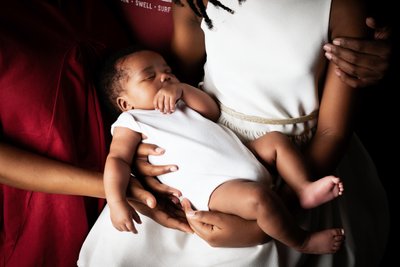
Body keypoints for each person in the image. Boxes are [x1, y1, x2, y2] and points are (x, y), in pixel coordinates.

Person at [1, 1, 392, 267]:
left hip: (296, 155)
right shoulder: (194, 1)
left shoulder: (343, 7)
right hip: (203, 156)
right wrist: (138, 164)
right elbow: (166, 98)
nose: (162, 76)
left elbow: (331, 129)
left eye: (161, 71)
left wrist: (271, 217)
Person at [101, 48, 345, 254]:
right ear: (125, 103)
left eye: (168, 71)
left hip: (245, 154)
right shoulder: (132, 120)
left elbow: (211, 111)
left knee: (276, 141)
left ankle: (303, 187)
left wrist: (183, 90)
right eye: (150, 76)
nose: (165, 78)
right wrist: (116, 200)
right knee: (260, 199)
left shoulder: (181, 102)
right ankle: (302, 241)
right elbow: (118, 159)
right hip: (217, 188)